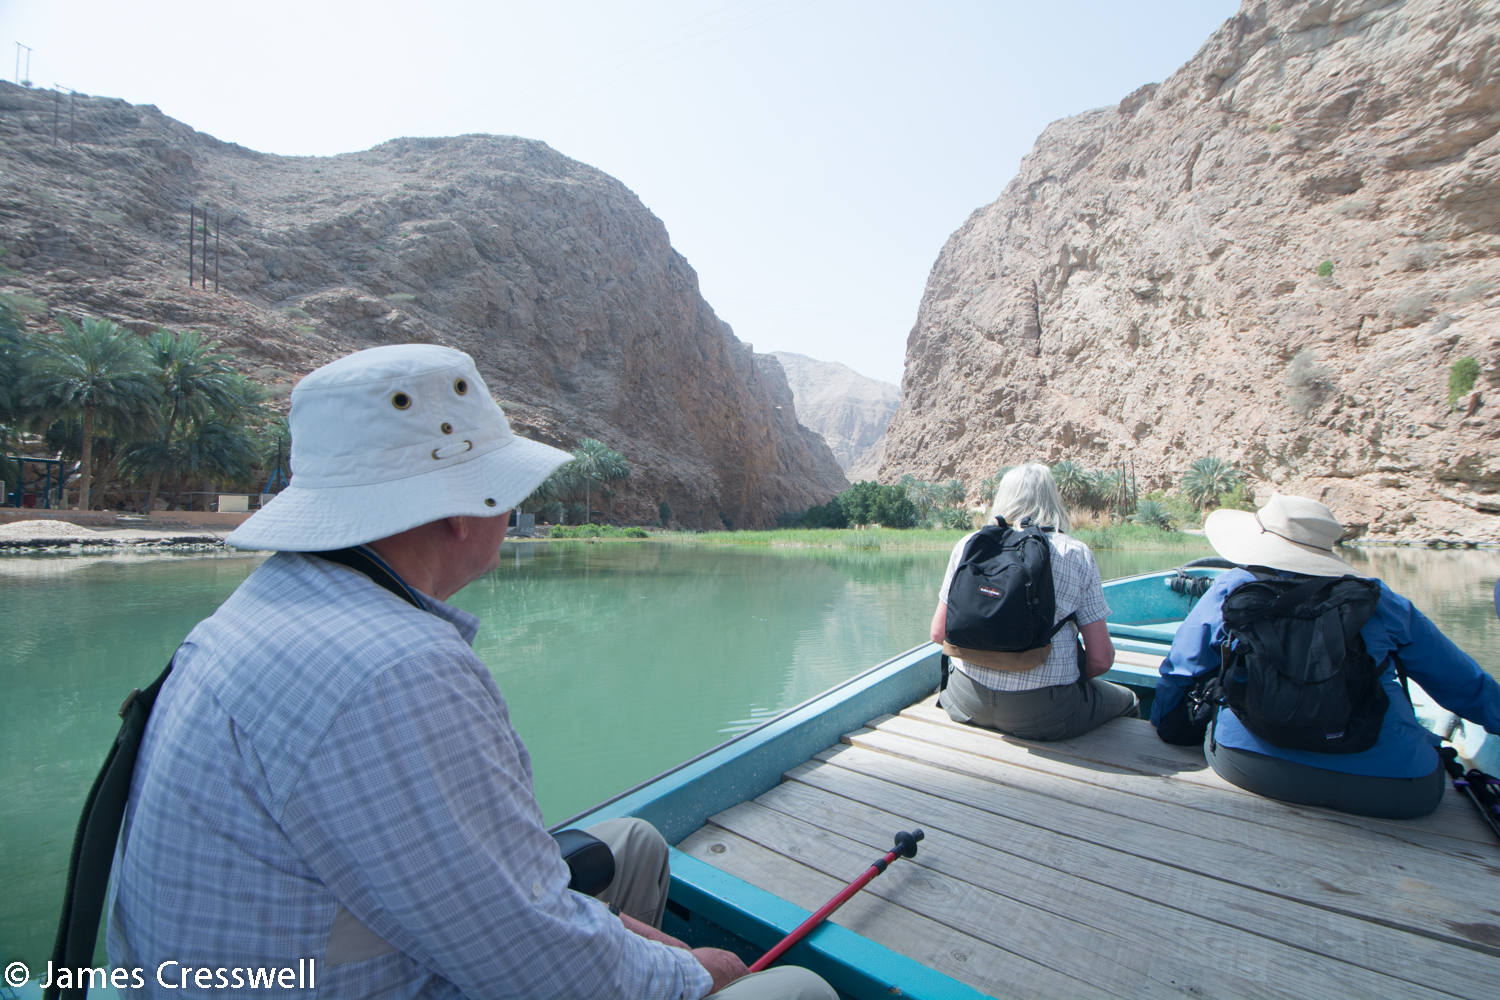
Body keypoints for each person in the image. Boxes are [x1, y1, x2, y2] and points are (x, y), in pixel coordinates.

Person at [105, 345, 834, 1000]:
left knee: (633, 846)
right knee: (795, 991)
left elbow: (493, 903)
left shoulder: (250, 611)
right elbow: (533, 964)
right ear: (462, 511)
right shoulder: (399, 669)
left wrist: (625, 945)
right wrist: (696, 972)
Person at [1151, 493, 1500, 819]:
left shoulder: (1231, 587)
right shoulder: (1383, 602)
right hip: (1395, 790)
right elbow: (1464, 686)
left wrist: (1162, 722)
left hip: (1252, 767)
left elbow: (1181, 669)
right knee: (1430, 747)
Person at [928, 463, 1138, 740]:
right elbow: (1100, 660)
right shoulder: (1074, 553)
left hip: (965, 700)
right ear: (1052, 499)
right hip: (1045, 714)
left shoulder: (970, 544)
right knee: (1129, 698)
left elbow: (938, 634)